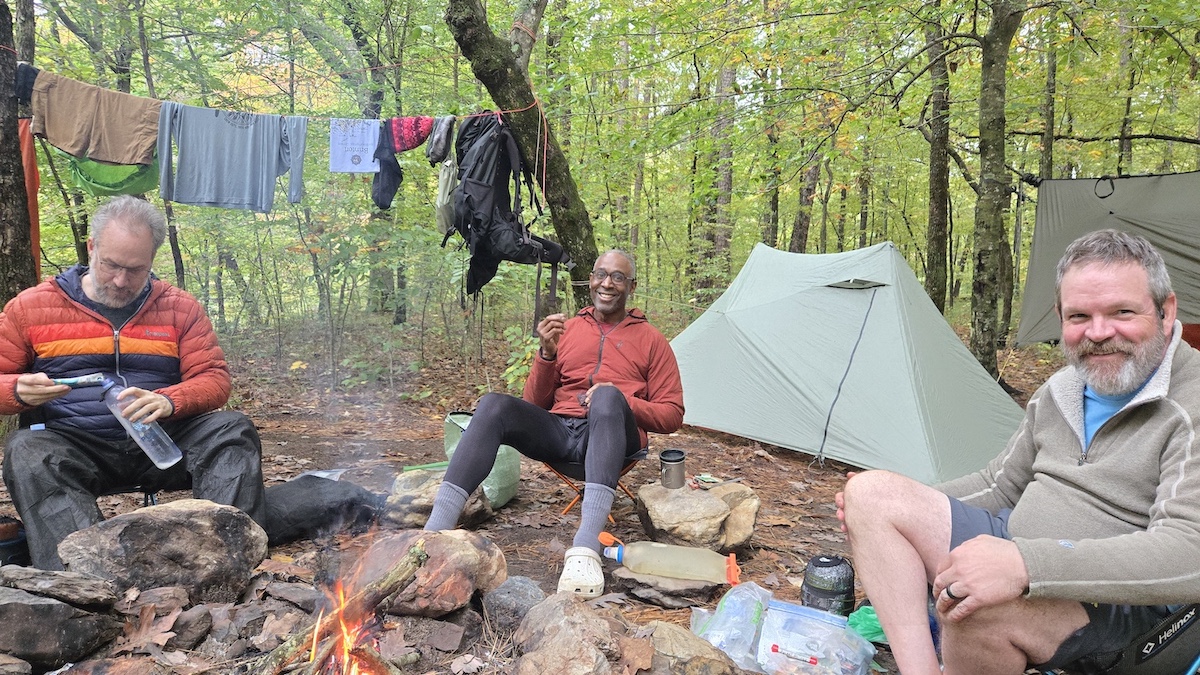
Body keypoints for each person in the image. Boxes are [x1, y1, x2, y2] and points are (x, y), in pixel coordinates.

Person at [837, 229, 1200, 674]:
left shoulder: (1191, 404)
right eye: (1079, 316)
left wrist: (1027, 565)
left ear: (1166, 311)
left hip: (1130, 608)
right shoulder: (1063, 390)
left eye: (1122, 312)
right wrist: (897, 507)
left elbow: (1189, 554)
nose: (1099, 333)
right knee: (872, 494)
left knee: (973, 607)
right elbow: (1000, 483)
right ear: (1060, 317)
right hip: (1020, 553)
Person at [0, 195, 267, 570]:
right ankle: (82, 577)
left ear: (152, 261)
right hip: (78, 445)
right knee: (27, 448)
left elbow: (214, 379)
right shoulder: (30, 307)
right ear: (91, 247)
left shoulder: (180, 307)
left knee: (231, 428)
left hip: (163, 441)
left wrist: (170, 400)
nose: (121, 281)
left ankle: (228, 559)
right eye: (110, 265)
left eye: (136, 270)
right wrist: (16, 391)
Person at [424, 249, 684, 598]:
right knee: (493, 405)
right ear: (590, 280)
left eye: (618, 277)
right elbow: (534, 405)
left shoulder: (652, 340)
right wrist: (546, 354)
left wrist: (622, 398)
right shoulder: (570, 329)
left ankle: (586, 550)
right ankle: (430, 536)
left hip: (612, 439)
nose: (607, 283)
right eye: (600, 274)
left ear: (631, 286)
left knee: (606, 398)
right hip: (561, 433)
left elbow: (672, 415)